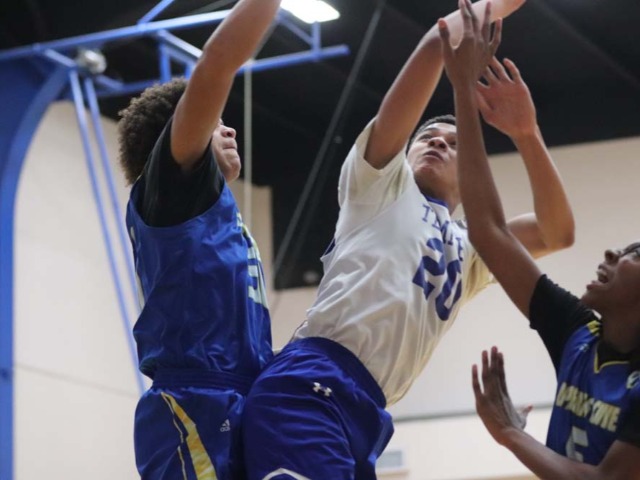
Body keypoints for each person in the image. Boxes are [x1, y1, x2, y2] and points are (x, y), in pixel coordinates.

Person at [242, 0, 577, 478]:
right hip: (314, 379)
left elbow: (557, 232)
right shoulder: (380, 185)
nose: (439, 142)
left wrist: (526, 134)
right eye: (428, 137)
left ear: (472, 170)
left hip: (367, 408)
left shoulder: (474, 246)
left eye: (456, 143)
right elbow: (432, 46)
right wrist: (492, 9)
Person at [438, 1, 640, 477]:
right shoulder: (577, 333)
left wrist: (511, 433)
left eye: (634, 254)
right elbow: (489, 233)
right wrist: (469, 97)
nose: (612, 252)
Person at [116, 0, 281, 478]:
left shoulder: (217, 214)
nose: (228, 128)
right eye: (215, 118)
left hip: (245, 394)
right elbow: (216, 64)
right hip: (193, 402)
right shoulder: (172, 190)